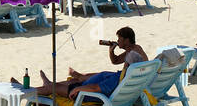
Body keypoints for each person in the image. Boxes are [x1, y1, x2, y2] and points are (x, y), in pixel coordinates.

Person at [18, 27, 146, 100]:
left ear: (127, 40)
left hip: (92, 92)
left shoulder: (131, 57)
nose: (117, 41)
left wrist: (80, 89)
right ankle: (49, 84)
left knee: (56, 88)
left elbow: (97, 88)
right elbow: (116, 61)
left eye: (120, 39)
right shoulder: (132, 58)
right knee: (72, 82)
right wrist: (111, 50)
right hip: (104, 83)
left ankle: (25, 91)